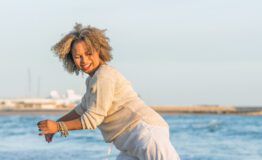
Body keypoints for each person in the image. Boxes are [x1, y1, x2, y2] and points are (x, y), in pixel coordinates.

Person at [37, 23, 180, 160]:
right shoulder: (93, 80)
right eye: (77, 56)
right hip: (129, 142)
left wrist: (58, 127)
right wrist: (56, 125)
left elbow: (92, 119)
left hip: (145, 134)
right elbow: (82, 109)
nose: (84, 60)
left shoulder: (104, 76)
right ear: (71, 59)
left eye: (88, 53)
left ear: (99, 51)